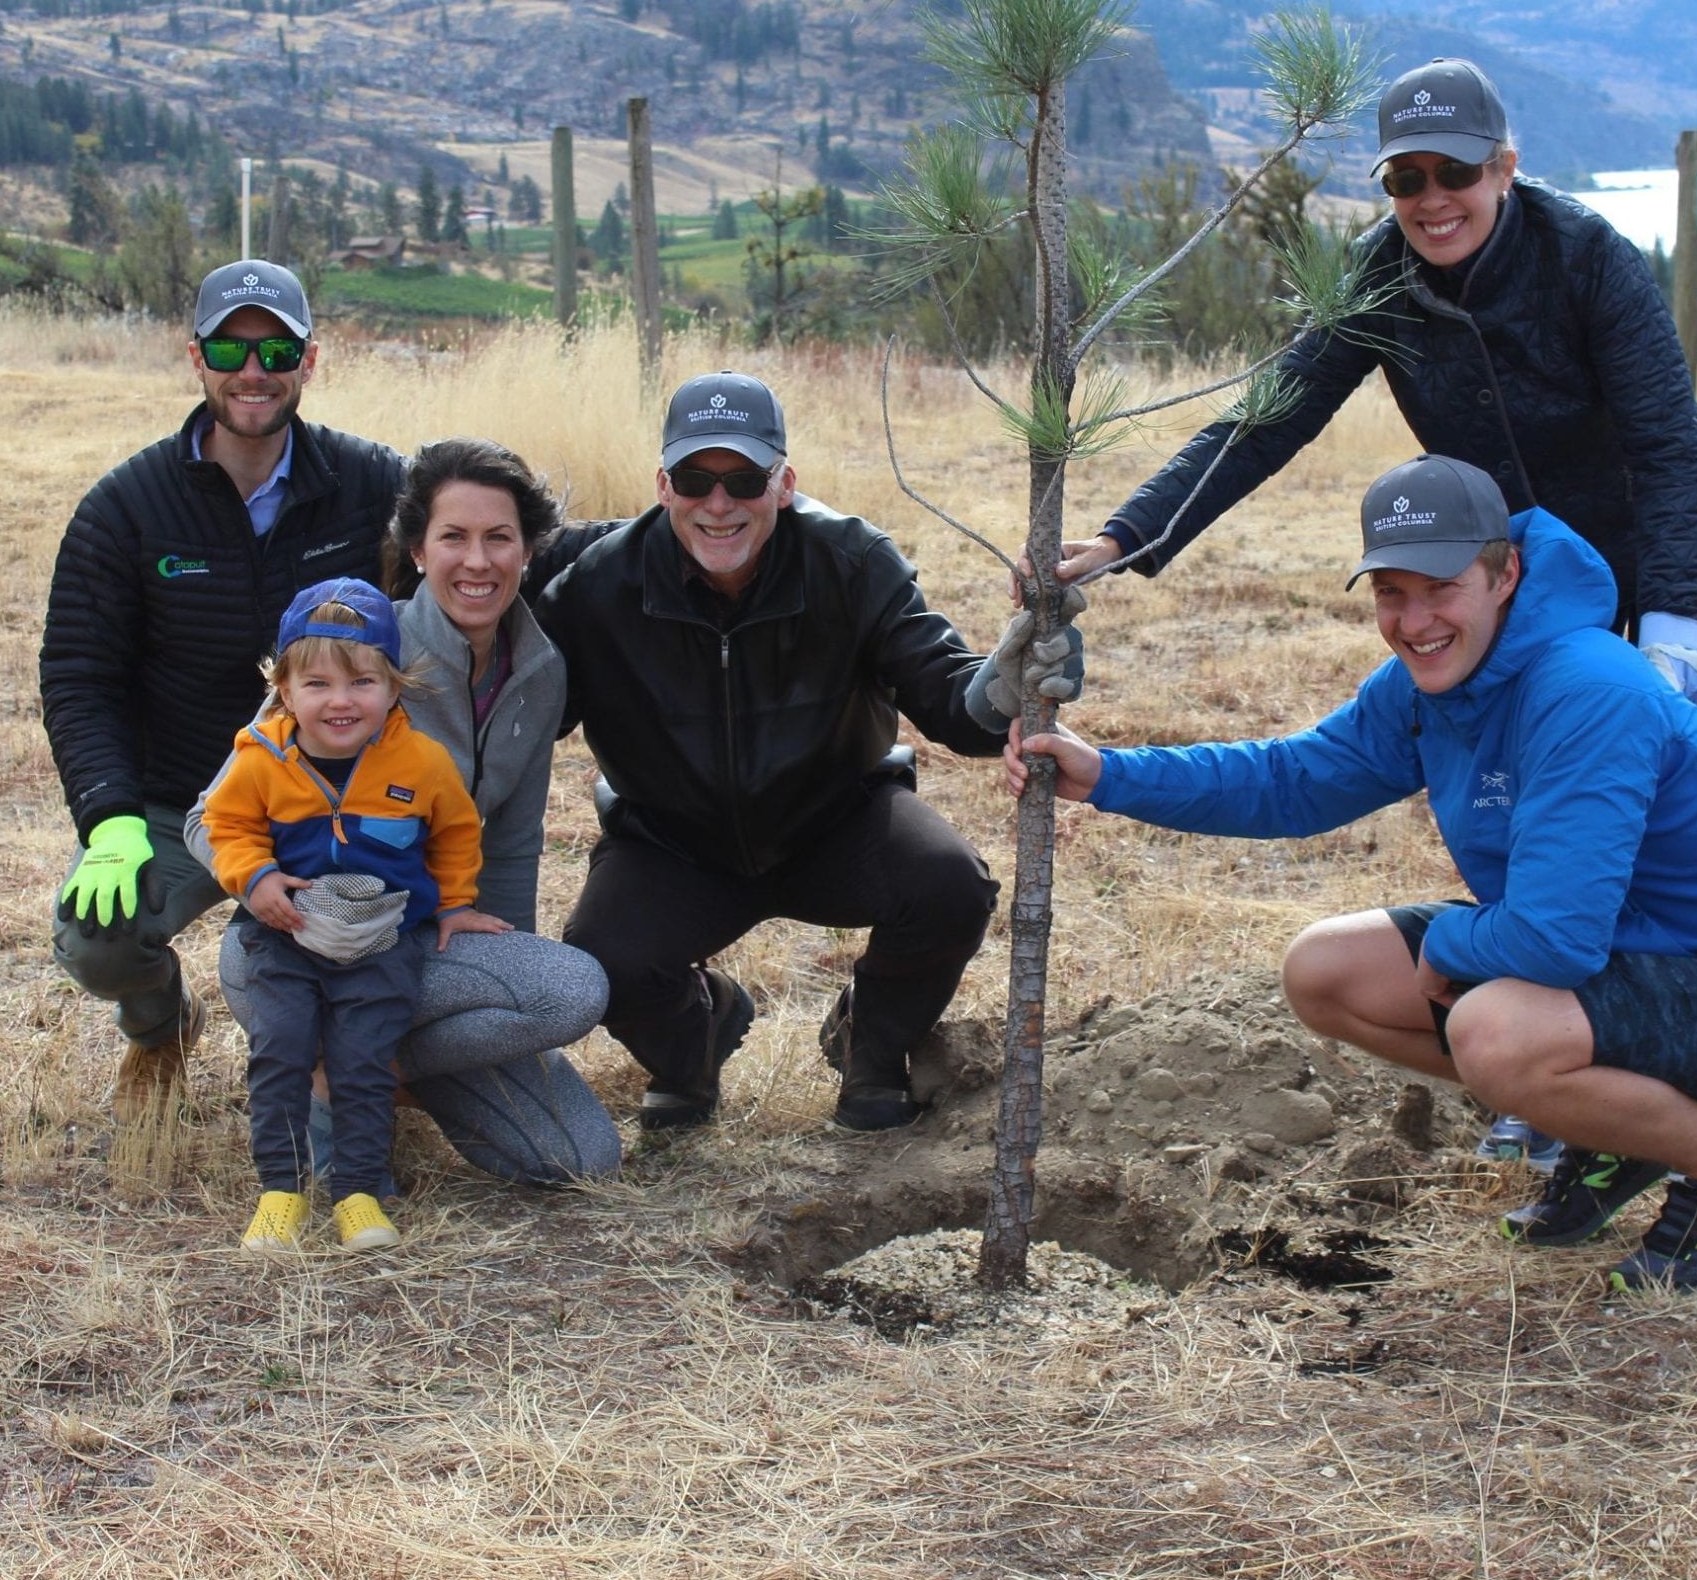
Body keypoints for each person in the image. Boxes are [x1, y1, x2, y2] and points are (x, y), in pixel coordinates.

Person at [1014, 456, 1697, 1291]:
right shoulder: (1427, 686)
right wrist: (1111, 776)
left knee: (1494, 1032)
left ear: (1504, 573)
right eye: (1390, 592)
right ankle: (1619, 1133)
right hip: (1622, 955)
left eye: (1440, 586)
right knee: (1325, 973)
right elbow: (1294, 779)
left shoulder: (1586, 686)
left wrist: (1452, 943)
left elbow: (1554, 940)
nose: (1414, 621)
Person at [1059, 56, 1697, 696]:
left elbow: (1665, 447)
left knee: (1677, 755)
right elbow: (1270, 422)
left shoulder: (1587, 255)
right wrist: (1129, 535)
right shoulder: (1376, 276)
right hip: (1544, 572)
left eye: (1456, 172)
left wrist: (1672, 622)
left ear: (1504, 168)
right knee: (1565, 757)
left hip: (1680, 541)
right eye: (1406, 179)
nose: (1433, 199)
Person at [534, 371, 1074, 1133]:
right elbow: (526, 716)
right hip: (670, 842)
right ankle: (696, 1038)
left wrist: (1009, 684)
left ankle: (872, 1043)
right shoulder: (597, 584)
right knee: (601, 962)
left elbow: (953, 704)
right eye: (696, 478)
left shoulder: (852, 561)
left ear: (784, 482)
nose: (719, 505)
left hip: (837, 819)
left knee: (950, 885)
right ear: (663, 484)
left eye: (744, 480)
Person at [197, 440, 621, 1188]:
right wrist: (257, 881)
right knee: (570, 991)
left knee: (580, 1153)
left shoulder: (542, 670)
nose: (477, 561)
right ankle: (327, 1070)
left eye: (499, 538)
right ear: (418, 550)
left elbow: (515, 844)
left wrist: (497, 967)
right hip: (297, 946)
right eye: (453, 537)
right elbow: (208, 819)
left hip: (420, 954)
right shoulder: (352, 652)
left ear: (529, 550)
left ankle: (361, 1063)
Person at [41, 261, 403, 1119]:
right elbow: (80, 678)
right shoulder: (125, 508)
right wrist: (111, 818)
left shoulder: (372, 485)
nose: (254, 370)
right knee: (95, 939)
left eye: (275, 348)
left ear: (310, 361)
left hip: (333, 799)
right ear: (195, 357)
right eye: (230, 349)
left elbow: (483, 545)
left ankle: (374, 1064)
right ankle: (160, 1024)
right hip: (183, 800)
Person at [202, 581, 495, 1252]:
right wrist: (257, 877)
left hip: (383, 939)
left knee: (364, 1059)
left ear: (394, 687)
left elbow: (455, 832)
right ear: (283, 688)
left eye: (363, 681)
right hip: (286, 935)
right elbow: (226, 825)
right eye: (318, 683)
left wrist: (454, 904)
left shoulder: (421, 763)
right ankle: (282, 1189)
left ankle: (359, 1193)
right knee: (281, 1048)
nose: (341, 700)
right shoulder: (259, 759)